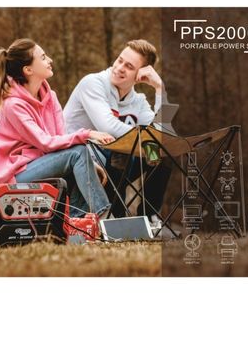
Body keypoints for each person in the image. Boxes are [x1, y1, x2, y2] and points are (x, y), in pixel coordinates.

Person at [0, 38, 114, 218]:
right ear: (28, 70)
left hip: (42, 161)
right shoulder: (13, 105)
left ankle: (76, 222)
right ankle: (103, 215)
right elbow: (45, 143)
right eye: (43, 57)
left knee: (79, 153)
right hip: (17, 173)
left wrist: (88, 164)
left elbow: (61, 139)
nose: (50, 60)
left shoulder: (50, 96)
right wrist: (88, 134)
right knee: (78, 152)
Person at [64, 39, 172, 222]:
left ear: (140, 75)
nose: (119, 68)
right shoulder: (93, 83)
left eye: (129, 66)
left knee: (161, 153)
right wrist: (147, 139)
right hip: (79, 161)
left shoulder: (138, 101)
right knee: (121, 150)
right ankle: (115, 215)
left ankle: (149, 217)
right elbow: (108, 126)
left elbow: (163, 134)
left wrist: (160, 89)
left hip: (113, 161)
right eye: (120, 60)